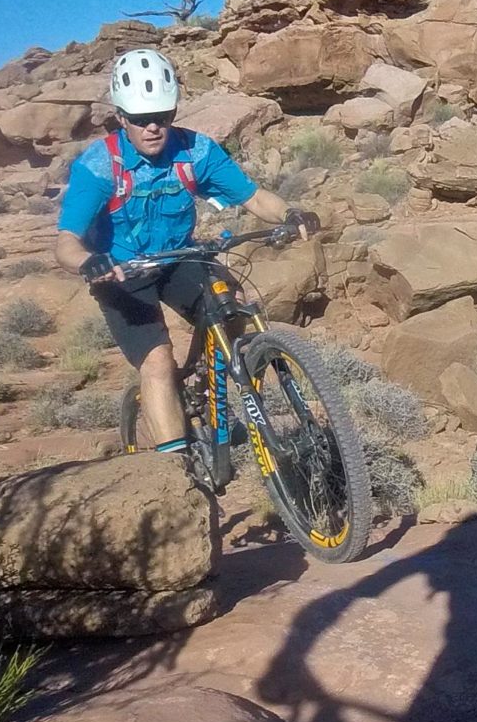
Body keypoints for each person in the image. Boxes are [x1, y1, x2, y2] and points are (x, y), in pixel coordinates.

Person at [52, 48, 315, 460]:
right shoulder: (100, 166)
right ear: (121, 118)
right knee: (157, 364)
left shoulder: (196, 152)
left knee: (233, 306)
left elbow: (254, 197)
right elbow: (66, 241)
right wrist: (89, 261)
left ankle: (213, 392)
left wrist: (290, 212)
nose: (154, 127)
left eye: (163, 115)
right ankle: (178, 472)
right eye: (140, 119)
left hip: (178, 258)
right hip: (121, 272)